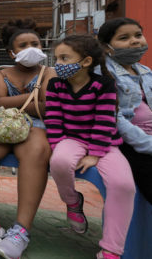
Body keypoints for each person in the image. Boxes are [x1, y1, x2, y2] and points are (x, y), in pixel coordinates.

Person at [46, 34, 135, 259]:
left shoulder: (103, 84)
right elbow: (54, 118)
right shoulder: (55, 84)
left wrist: (95, 153)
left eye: (65, 58)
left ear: (85, 62)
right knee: (59, 161)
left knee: (123, 184)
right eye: (57, 58)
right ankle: (73, 202)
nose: (59, 64)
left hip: (103, 142)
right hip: (71, 138)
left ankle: (111, 249)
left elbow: (104, 120)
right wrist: (58, 145)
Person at [0, 19, 55, 258]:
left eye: (34, 43)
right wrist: (33, 99)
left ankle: (20, 230)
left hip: (35, 128)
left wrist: (15, 102)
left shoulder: (49, 72)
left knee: (37, 149)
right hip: (2, 128)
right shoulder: (1, 73)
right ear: (12, 52)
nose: (30, 48)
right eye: (23, 45)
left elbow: (48, 107)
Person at [98, 18, 152, 205]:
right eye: (124, 38)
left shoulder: (145, 71)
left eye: (138, 35)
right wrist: (147, 143)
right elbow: (114, 118)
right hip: (129, 142)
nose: (135, 41)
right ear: (106, 47)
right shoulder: (104, 74)